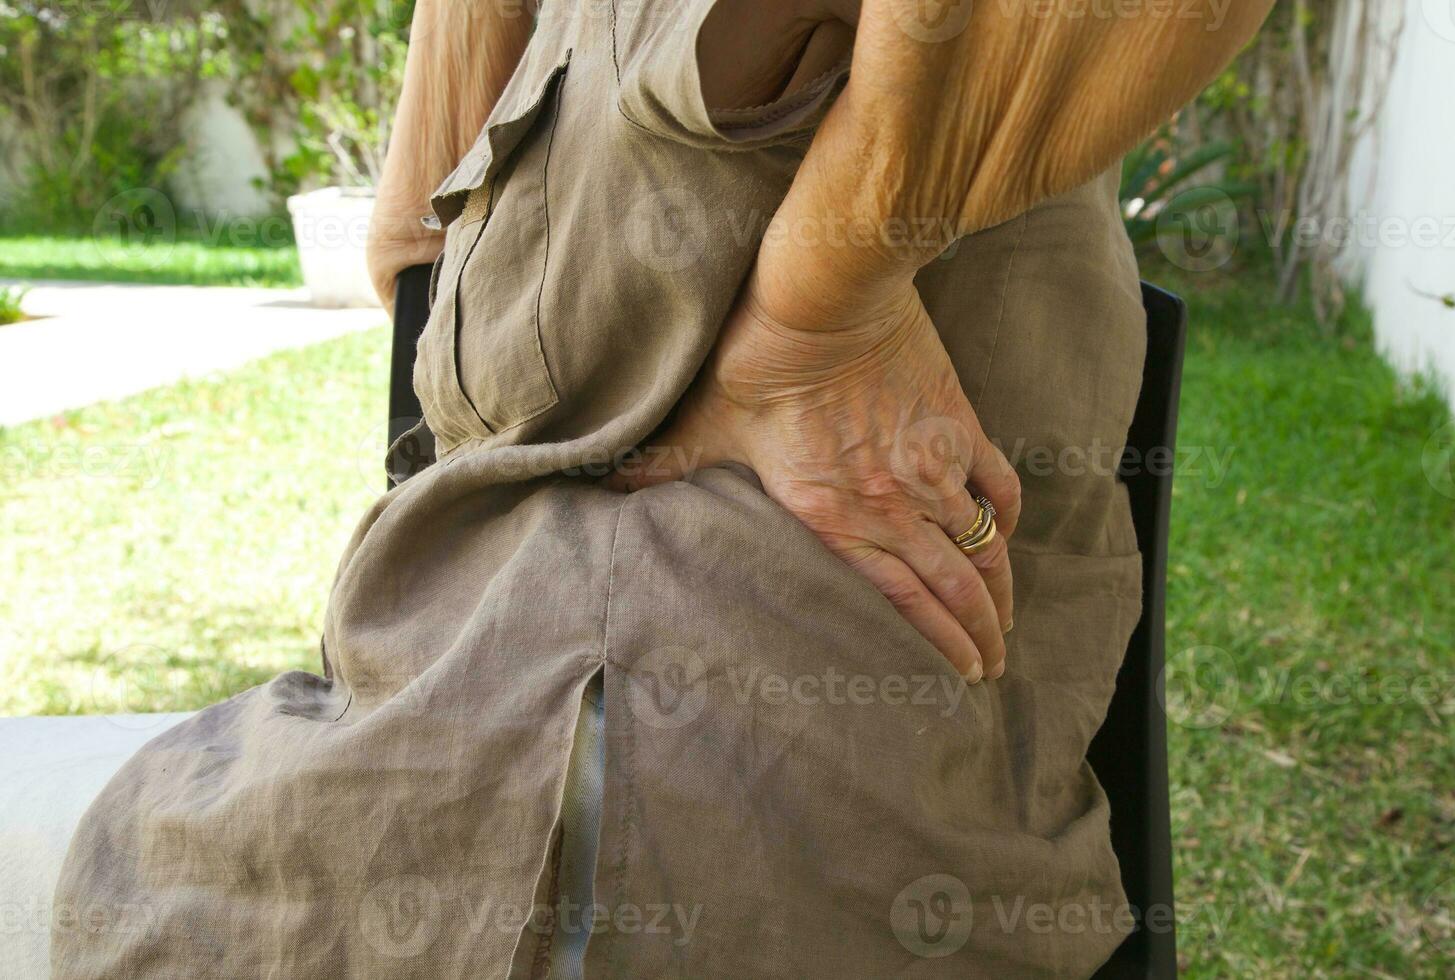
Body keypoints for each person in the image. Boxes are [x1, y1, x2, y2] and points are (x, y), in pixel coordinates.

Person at [53, 1, 1272, 976]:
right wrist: (440, 193)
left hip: (837, 407)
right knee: (176, 874)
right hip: (502, 510)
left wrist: (819, 310)